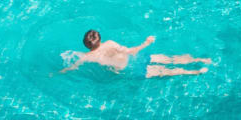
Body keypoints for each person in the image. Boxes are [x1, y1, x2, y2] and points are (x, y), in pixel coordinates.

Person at [60, 30, 212, 78]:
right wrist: (146, 43)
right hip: (136, 58)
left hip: (130, 69)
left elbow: (74, 66)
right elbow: (130, 51)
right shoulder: (110, 43)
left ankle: (194, 71)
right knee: (168, 59)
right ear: (100, 39)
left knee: (165, 72)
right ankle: (200, 59)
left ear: (85, 44)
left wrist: (60, 72)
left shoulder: (88, 57)